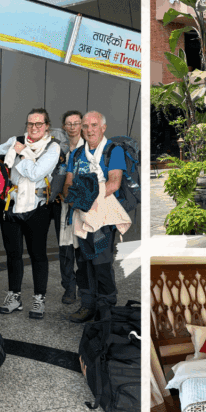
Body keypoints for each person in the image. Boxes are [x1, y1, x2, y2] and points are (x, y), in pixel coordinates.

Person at [0, 109, 61, 319]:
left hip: (38, 208)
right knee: (13, 255)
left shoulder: (53, 147)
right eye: (30, 123)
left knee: (37, 255)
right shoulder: (16, 140)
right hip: (11, 207)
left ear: (47, 126)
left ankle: (39, 298)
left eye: (39, 124)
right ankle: (14, 297)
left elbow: (35, 173)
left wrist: (22, 152)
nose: (34, 128)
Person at [63, 111, 129, 323]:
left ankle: (106, 306)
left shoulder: (113, 151)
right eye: (85, 126)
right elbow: (69, 183)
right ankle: (87, 304)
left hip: (102, 217)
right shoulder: (76, 153)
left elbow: (114, 183)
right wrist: (72, 199)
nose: (89, 130)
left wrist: (85, 199)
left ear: (103, 128)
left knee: (101, 262)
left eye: (94, 125)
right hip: (81, 216)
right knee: (82, 263)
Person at [53, 111, 87, 306]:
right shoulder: (58, 147)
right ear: (64, 126)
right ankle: (69, 288)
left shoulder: (90, 146)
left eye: (77, 123)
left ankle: (84, 287)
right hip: (62, 204)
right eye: (69, 123)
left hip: (83, 205)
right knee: (65, 249)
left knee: (83, 248)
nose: (73, 127)